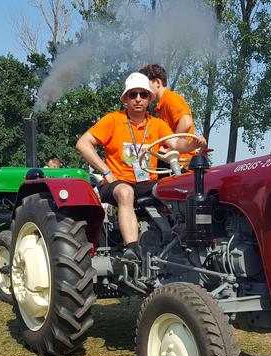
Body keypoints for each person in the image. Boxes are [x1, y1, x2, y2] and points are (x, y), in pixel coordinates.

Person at [76, 72, 206, 260]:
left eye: (143, 95)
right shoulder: (112, 120)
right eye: (133, 94)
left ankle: (182, 240)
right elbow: (83, 143)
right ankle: (132, 249)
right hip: (117, 182)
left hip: (148, 182)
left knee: (180, 188)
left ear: (149, 99)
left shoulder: (157, 124)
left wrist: (195, 144)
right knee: (125, 192)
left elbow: (178, 145)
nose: (138, 99)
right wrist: (106, 172)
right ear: (125, 98)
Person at [139, 64, 196, 164]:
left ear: (157, 82)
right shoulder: (161, 105)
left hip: (179, 162)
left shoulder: (169, 99)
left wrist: (172, 149)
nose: (143, 89)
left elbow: (186, 122)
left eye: (145, 84)